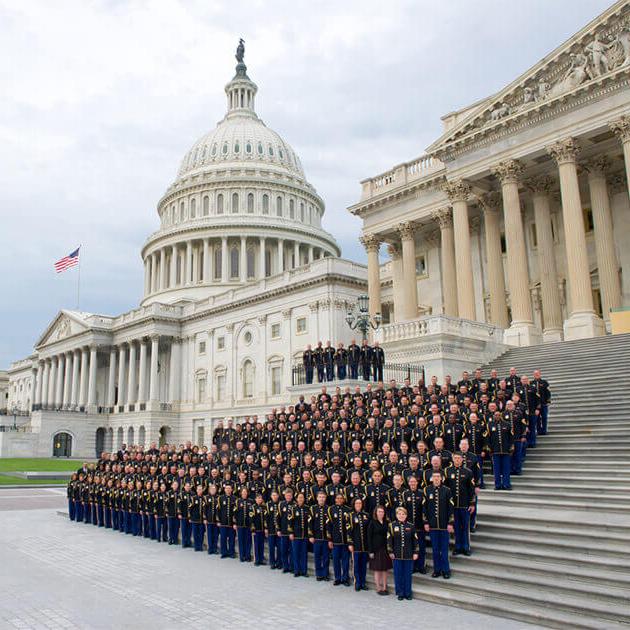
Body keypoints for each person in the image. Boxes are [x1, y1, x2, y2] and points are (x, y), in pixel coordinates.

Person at [423, 471, 454, 579]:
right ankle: (437, 570)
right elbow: (424, 508)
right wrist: (426, 522)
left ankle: (446, 570)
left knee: (444, 549)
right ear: (432, 479)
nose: (436, 479)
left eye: (438, 477)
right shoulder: (427, 490)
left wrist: (450, 523)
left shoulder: (447, 490)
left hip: (444, 525)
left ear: (441, 479)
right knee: (435, 550)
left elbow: (451, 508)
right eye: (434, 477)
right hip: (432, 526)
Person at [444, 452, 475, 556]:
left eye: (459, 458)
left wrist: (472, 503)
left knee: (465, 527)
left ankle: (466, 547)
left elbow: (471, 489)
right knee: (456, 527)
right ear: (452, 459)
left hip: (464, 505)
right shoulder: (447, 471)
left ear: (462, 459)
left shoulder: (468, 472)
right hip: (453, 506)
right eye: (455, 458)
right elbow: (445, 489)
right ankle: (458, 547)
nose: (457, 460)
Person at [387, 506, 419, 601]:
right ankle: (400, 592)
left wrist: (416, 552)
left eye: (403, 514)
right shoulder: (392, 526)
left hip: (409, 554)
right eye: (399, 514)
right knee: (398, 574)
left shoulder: (411, 526)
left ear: (406, 515)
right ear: (396, 515)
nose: (401, 515)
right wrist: (390, 551)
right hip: (396, 554)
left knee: (407, 574)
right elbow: (389, 540)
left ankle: (408, 593)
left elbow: (415, 541)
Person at [327, 492, 351, 586]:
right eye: (338, 498)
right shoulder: (331, 510)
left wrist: (349, 541)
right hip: (335, 540)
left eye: (341, 498)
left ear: (343, 499)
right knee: (336, 560)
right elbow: (329, 526)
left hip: (345, 540)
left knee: (345, 561)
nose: (339, 500)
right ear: (335, 499)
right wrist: (330, 539)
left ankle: (345, 578)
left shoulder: (348, 510)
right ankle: (337, 578)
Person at [486, 411, 514, 491]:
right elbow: (487, 438)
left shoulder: (507, 424)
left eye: (498, 415)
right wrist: (489, 449)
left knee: (506, 469)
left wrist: (511, 447)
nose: (497, 416)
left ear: (501, 416)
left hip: (506, 451)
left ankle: (506, 484)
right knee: (496, 470)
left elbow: (511, 437)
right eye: (496, 415)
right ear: (493, 416)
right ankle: (497, 485)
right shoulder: (489, 425)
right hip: (495, 451)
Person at [367, 505, 392, 595]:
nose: (381, 513)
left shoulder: (387, 522)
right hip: (376, 549)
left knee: (385, 569)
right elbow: (369, 538)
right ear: (376, 513)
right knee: (377, 569)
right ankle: (378, 588)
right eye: (379, 512)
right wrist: (370, 551)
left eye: (382, 512)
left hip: (385, 548)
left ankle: (385, 587)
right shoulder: (372, 523)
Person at [308, 490, 331, 581]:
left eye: (323, 497)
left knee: (326, 557)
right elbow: (309, 523)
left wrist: (330, 538)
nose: (321, 498)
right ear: (317, 498)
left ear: (325, 498)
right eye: (320, 497)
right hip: (316, 538)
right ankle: (319, 574)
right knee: (317, 557)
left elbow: (330, 525)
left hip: (325, 538)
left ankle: (325, 574)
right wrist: (310, 535)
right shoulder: (313, 508)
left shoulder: (329, 509)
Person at [348, 497, 370, 591]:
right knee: (356, 565)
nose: (358, 505)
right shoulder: (350, 515)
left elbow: (368, 530)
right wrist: (350, 543)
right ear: (354, 504)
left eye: (360, 503)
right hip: (355, 544)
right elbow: (348, 531)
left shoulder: (366, 515)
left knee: (363, 565)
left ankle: (363, 583)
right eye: (357, 503)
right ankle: (357, 583)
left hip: (364, 545)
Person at [289, 492, 309, 577]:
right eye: (299, 497)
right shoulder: (292, 509)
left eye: (302, 497)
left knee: (304, 553)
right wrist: (291, 533)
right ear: (296, 499)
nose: (300, 499)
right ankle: (296, 571)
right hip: (296, 535)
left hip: (304, 535)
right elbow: (290, 522)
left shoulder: (307, 508)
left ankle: (304, 571)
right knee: (296, 553)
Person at [234, 487, 252, 562]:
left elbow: (252, 513)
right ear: (241, 493)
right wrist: (235, 523)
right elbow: (234, 513)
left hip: (248, 525)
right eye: (243, 492)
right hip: (240, 524)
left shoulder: (251, 501)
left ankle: (248, 556)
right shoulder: (237, 501)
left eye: (245, 492)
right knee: (241, 541)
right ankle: (242, 556)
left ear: (247, 493)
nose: (244, 494)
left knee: (248, 541)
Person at [218, 483, 236, 558]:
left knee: (232, 539)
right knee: (223, 538)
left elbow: (236, 512)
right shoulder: (220, 498)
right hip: (223, 522)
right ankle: (224, 552)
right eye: (226, 488)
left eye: (229, 488)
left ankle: (231, 553)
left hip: (231, 523)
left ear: (232, 490)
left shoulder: (235, 499)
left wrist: (235, 522)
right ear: (224, 490)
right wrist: (218, 521)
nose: (228, 490)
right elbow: (218, 511)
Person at [532, 369, 551, 436]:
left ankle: (544, 430)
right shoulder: (531, 383)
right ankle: (539, 430)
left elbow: (548, 392)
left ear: (540, 374)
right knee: (537, 418)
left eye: (537, 374)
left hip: (543, 403)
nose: (536, 375)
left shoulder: (544, 382)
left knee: (544, 417)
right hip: (536, 405)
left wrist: (548, 401)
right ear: (533, 375)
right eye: (535, 374)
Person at [250, 493, 267, 566]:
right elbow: (251, 520)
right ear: (255, 499)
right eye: (258, 498)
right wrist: (253, 530)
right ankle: (256, 560)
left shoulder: (264, 507)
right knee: (256, 545)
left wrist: (266, 528)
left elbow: (266, 519)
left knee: (261, 545)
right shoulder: (253, 508)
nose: (259, 499)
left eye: (260, 498)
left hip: (262, 529)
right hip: (256, 530)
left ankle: (261, 559)